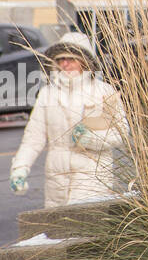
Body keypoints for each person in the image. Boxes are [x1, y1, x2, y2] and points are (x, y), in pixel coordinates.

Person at [8, 31, 129, 208]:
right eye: (60, 59)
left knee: (83, 229)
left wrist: (91, 139)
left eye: (70, 59)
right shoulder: (47, 94)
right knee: (59, 232)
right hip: (56, 180)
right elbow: (33, 138)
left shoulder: (104, 92)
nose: (65, 64)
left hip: (93, 176)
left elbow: (121, 133)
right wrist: (19, 168)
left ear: (84, 61)